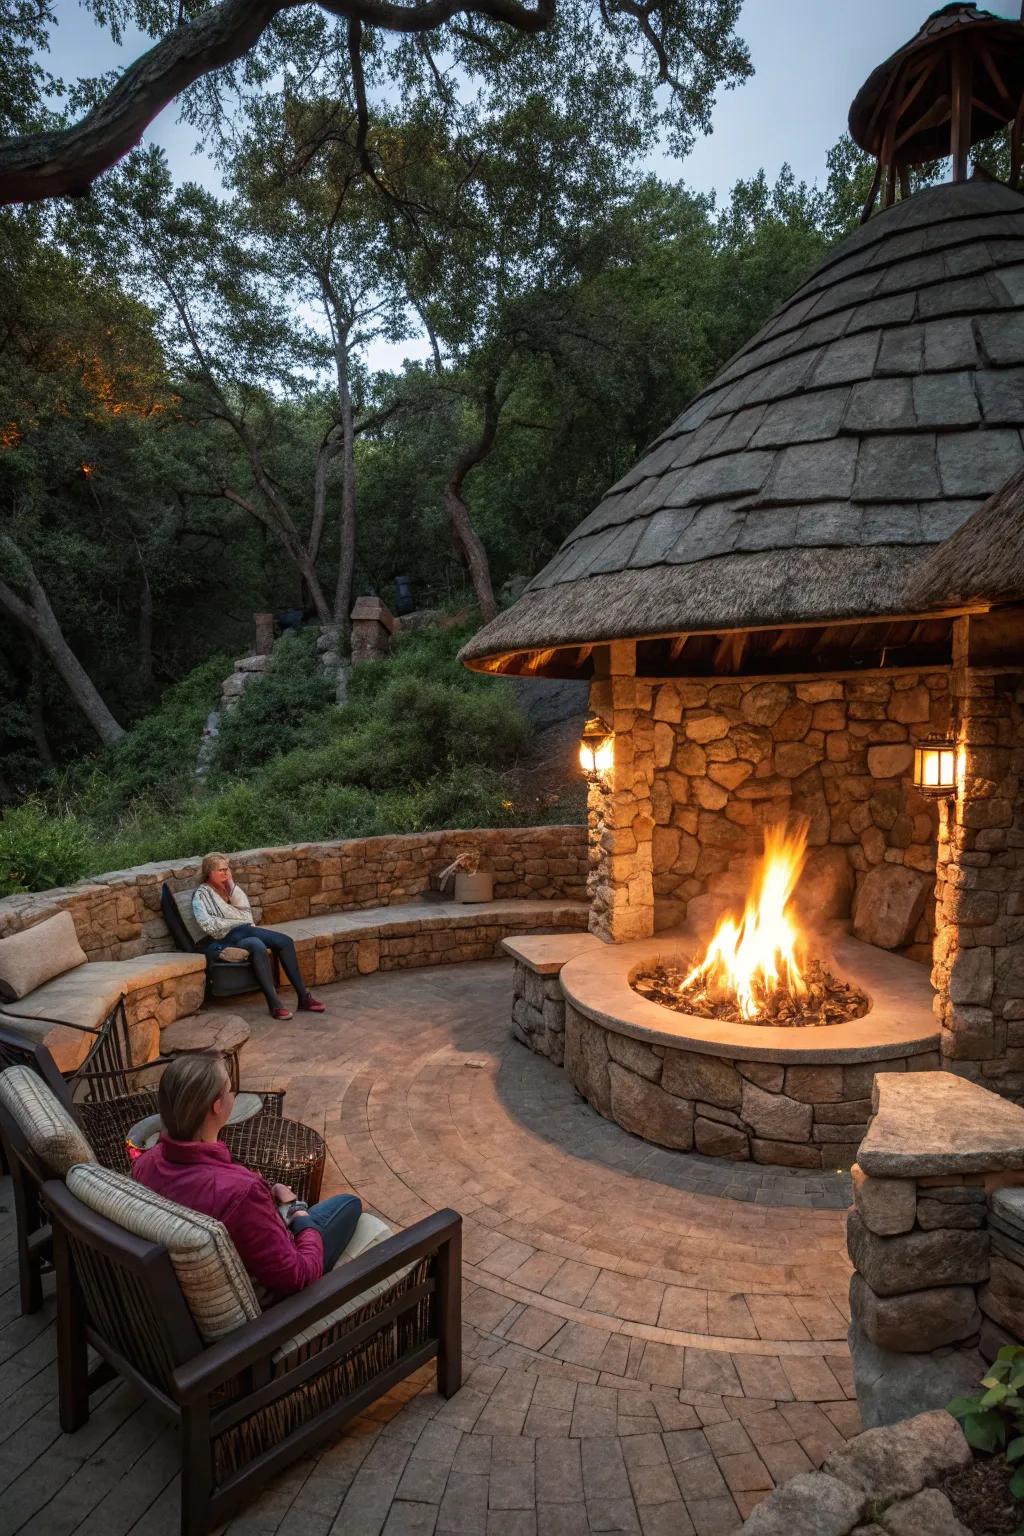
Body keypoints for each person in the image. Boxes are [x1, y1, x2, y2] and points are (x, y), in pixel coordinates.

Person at [133, 1051, 362, 1297]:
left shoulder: (146, 1163)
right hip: (272, 1309)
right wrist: (297, 1212)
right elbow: (297, 1276)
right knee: (348, 1204)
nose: (234, 1095)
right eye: (231, 1089)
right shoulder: (242, 1193)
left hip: (186, 1285)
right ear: (217, 1105)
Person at [192, 851, 325, 1020]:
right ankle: (275, 1005)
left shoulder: (228, 889)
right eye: (221, 870)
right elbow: (208, 926)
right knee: (281, 940)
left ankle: (303, 998)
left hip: (243, 933)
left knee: (263, 944)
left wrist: (231, 884)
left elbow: (246, 911)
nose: (226, 873)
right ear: (209, 872)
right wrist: (235, 921)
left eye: (227, 869)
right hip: (224, 938)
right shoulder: (201, 895)